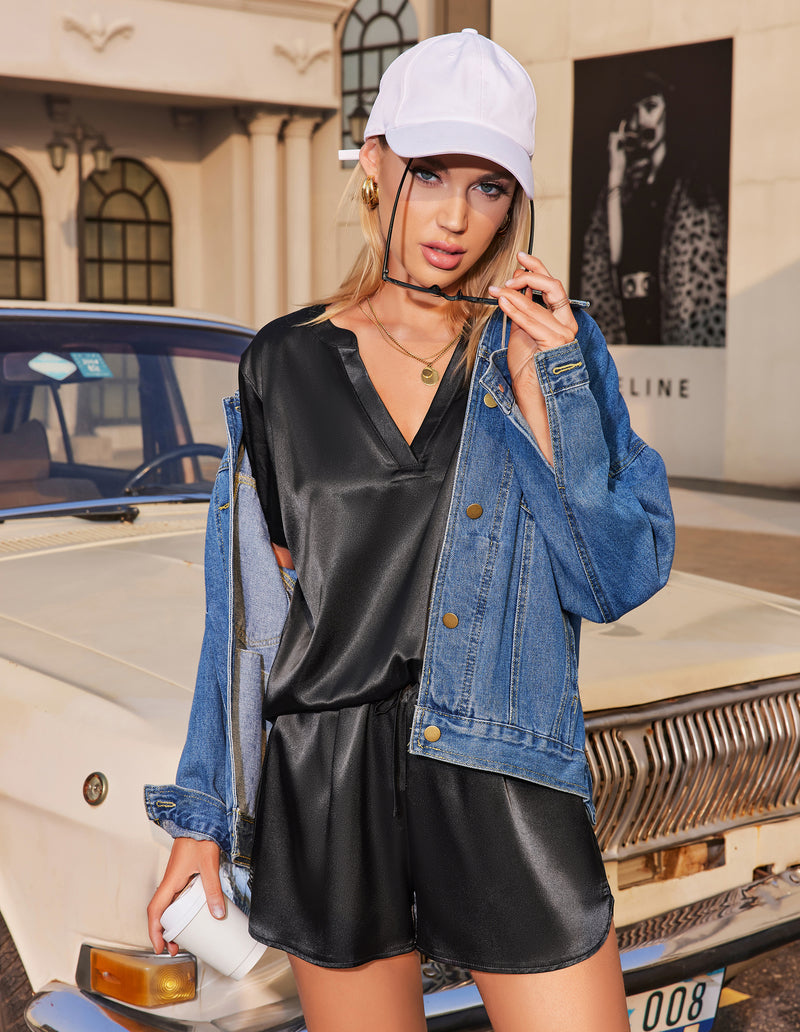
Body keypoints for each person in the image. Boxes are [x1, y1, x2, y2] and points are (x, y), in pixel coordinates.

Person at [145, 29, 674, 1032]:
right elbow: (249, 614)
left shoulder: (549, 344)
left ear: (515, 201)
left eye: (488, 187)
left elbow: (615, 577)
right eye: (430, 174)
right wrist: (202, 813)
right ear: (375, 165)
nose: (455, 216)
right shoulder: (283, 363)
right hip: (329, 776)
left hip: (500, 765)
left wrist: (547, 390)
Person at [579, 71, 727, 347]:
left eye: (651, 107)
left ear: (670, 110)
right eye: (635, 111)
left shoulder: (690, 184)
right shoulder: (628, 185)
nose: (642, 120)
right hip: (629, 314)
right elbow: (613, 257)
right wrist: (616, 174)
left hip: (671, 316)